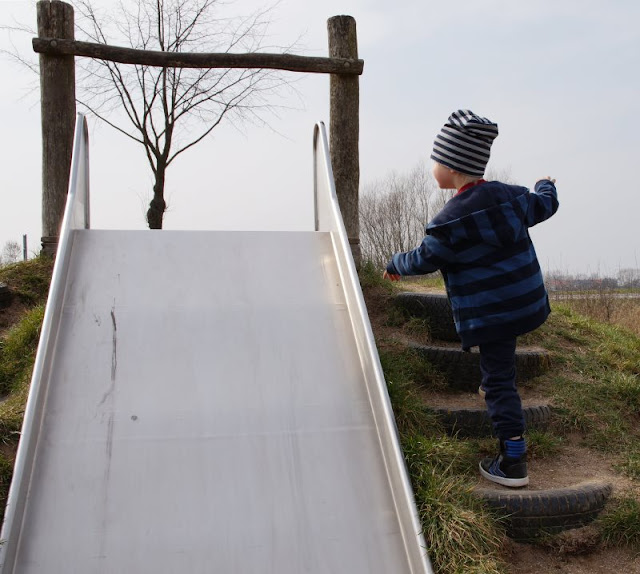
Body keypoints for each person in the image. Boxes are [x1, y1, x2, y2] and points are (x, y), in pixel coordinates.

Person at [383, 109, 559, 488]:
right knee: (500, 367)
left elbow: (423, 258)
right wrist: (546, 184)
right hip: (523, 306)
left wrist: (395, 263)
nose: (433, 166)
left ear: (451, 167)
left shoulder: (450, 221)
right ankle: (495, 395)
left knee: (498, 381)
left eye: (436, 160)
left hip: (491, 317)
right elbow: (546, 204)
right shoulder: (513, 199)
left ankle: (513, 463)